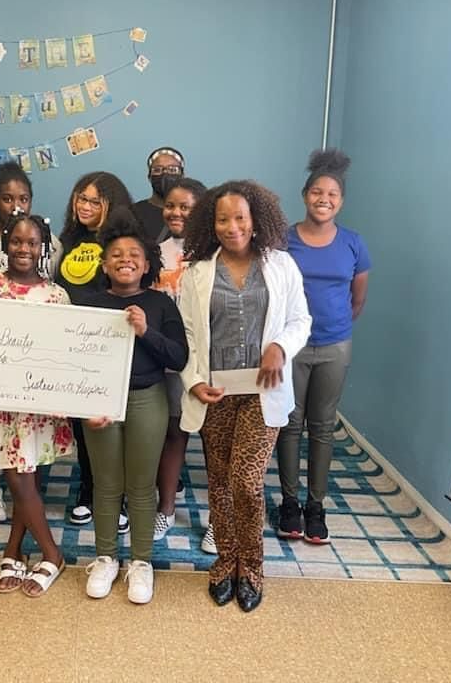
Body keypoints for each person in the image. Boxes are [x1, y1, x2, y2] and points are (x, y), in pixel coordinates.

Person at [178, 181, 311, 612]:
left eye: (240, 217)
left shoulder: (282, 265)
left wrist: (280, 348)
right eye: (222, 219)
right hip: (215, 391)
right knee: (218, 483)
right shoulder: (197, 272)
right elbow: (187, 335)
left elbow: (300, 319)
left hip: (263, 391)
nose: (232, 226)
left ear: (256, 221)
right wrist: (193, 380)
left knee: (246, 483)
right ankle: (226, 561)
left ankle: (252, 565)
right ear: (210, 224)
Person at [82, 212, 188, 604]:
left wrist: (147, 332)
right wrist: (83, 405)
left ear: (147, 265)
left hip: (148, 397)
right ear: (104, 264)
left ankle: (141, 562)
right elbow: (74, 361)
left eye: (134, 255)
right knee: (106, 484)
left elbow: (178, 357)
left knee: (142, 485)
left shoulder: (160, 304)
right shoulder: (89, 304)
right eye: (116, 254)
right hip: (99, 401)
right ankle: (106, 557)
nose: (125, 259)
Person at [0, 212, 74, 596]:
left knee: (23, 478)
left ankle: (19, 550)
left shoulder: (57, 295)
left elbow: (63, 353)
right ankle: (48, 551)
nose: (23, 249)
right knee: (17, 477)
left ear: (43, 247)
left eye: (32, 243)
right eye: (16, 241)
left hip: (37, 405)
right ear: (5, 245)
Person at [277, 149, 370, 544]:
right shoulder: (284, 239)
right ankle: (289, 503)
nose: (324, 199)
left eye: (332, 194)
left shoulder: (353, 243)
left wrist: (333, 328)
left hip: (334, 346)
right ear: (304, 195)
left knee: (323, 427)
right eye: (317, 191)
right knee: (289, 424)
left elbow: (357, 298)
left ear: (341, 201)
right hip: (291, 347)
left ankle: (316, 506)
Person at [0, 160, 62, 523]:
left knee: (27, 460)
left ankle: (25, 523)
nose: (15, 204)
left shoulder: (55, 294)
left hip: (35, 385)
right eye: (7, 198)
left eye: (32, 243)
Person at [55, 171, 134, 528]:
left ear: (111, 205)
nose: (84, 206)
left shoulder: (120, 240)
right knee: (82, 424)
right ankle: (87, 490)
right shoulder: (66, 240)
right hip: (71, 343)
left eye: (94, 201)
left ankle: (116, 498)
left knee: (111, 424)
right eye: (80, 198)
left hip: (108, 344)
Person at [149, 179, 208, 546]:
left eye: (185, 206)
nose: (176, 212)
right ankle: (166, 510)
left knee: (217, 442)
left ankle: (220, 518)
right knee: (173, 433)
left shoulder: (215, 254)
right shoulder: (156, 252)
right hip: (171, 360)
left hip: (210, 362)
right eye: (171, 205)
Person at [0, 160, 62, 283]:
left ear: (31, 201)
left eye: (23, 199)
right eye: (7, 199)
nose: (16, 207)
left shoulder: (51, 243)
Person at [131, 147, 186, 241]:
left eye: (172, 170)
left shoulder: (194, 213)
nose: (165, 173)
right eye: (157, 170)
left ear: (182, 175)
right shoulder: (133, 213)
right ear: (149, 177)